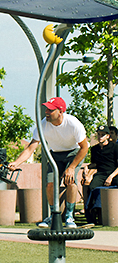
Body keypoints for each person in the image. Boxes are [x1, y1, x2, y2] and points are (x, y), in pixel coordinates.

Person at [8, 97, 89, 229]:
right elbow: (31, 147)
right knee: (50, 184)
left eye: (51, 110)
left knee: (70, 181)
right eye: (46, 108)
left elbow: (84, 147)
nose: (47, 112)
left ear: (60, 111)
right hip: (55, 154)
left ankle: (69, 216)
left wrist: (72, 167)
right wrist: (16, 163)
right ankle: (53, 215)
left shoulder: (73, 123)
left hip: (74, 153)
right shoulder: (43, 125)